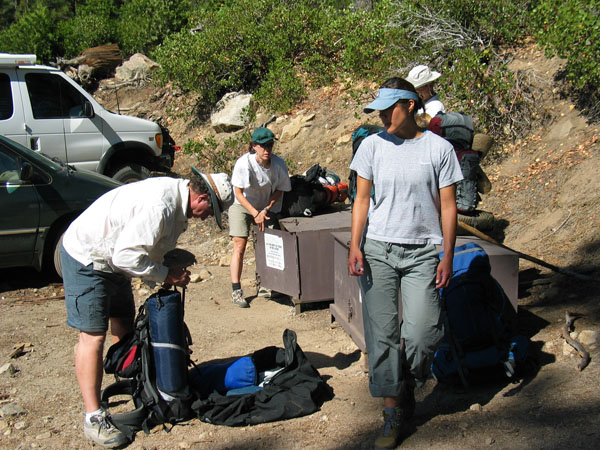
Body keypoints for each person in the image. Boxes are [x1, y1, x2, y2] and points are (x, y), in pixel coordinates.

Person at [60, 170, 233, 448]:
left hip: (114, 259)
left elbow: (144, 247)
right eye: (209, 210)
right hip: (88, 256)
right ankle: (93, 417)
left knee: (124, 324)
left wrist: (167, 263)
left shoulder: (177, 201)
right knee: (93, 336)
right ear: (201, 196)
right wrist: (166, 275)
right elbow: (126, 255)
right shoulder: (161, 206)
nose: (206, 217)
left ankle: (139, 385)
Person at [347, 78, 463, 449]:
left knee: (421, 334)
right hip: (378, 249)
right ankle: (391, 413)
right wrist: (355, 245)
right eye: (378, 109)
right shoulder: (371, 146)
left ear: (410, 105)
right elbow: (361, 201)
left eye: (389, 108)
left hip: (423, 253)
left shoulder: (439, 149)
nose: (382, 116)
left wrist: (447, 252)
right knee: (381, 336)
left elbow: (448, 206)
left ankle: (408, 382)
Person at [229, 127, 292, 308]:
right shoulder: (244, 164)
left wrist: (265, 210)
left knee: (270, 242)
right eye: (263, 146)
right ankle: (236, 289)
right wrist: (254, 213)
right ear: (254, 146)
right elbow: (238, 193)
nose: (267, 150)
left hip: (265, 206)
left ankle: (269, 284)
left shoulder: (278, 164)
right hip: (243, 205)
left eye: (270, 145)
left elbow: (280, 189)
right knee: (239, 244)